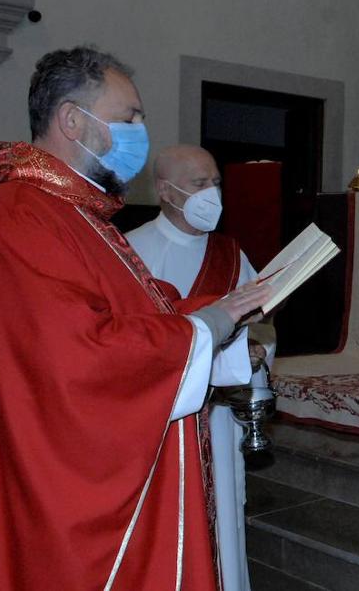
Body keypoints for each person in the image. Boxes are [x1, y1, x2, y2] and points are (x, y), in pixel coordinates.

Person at [0, 47, 274, 589]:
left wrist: (215, 321)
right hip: (60, 499)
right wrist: (207, 327)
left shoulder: (74, 213)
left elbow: (139, 310)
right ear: (70, 120)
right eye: (129, 117)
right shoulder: (20, 215)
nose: (141, 130)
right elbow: (76, 361)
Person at [127, 144, 272, 591]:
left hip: (220, 418)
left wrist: (256, 354)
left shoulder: (231, 254)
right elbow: (130, 345)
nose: (213, 194)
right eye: (198, 184)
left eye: (216, 183)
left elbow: (261, 323)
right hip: (158, 428)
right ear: (166, 192)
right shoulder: (129, 253)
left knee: (223, 529)